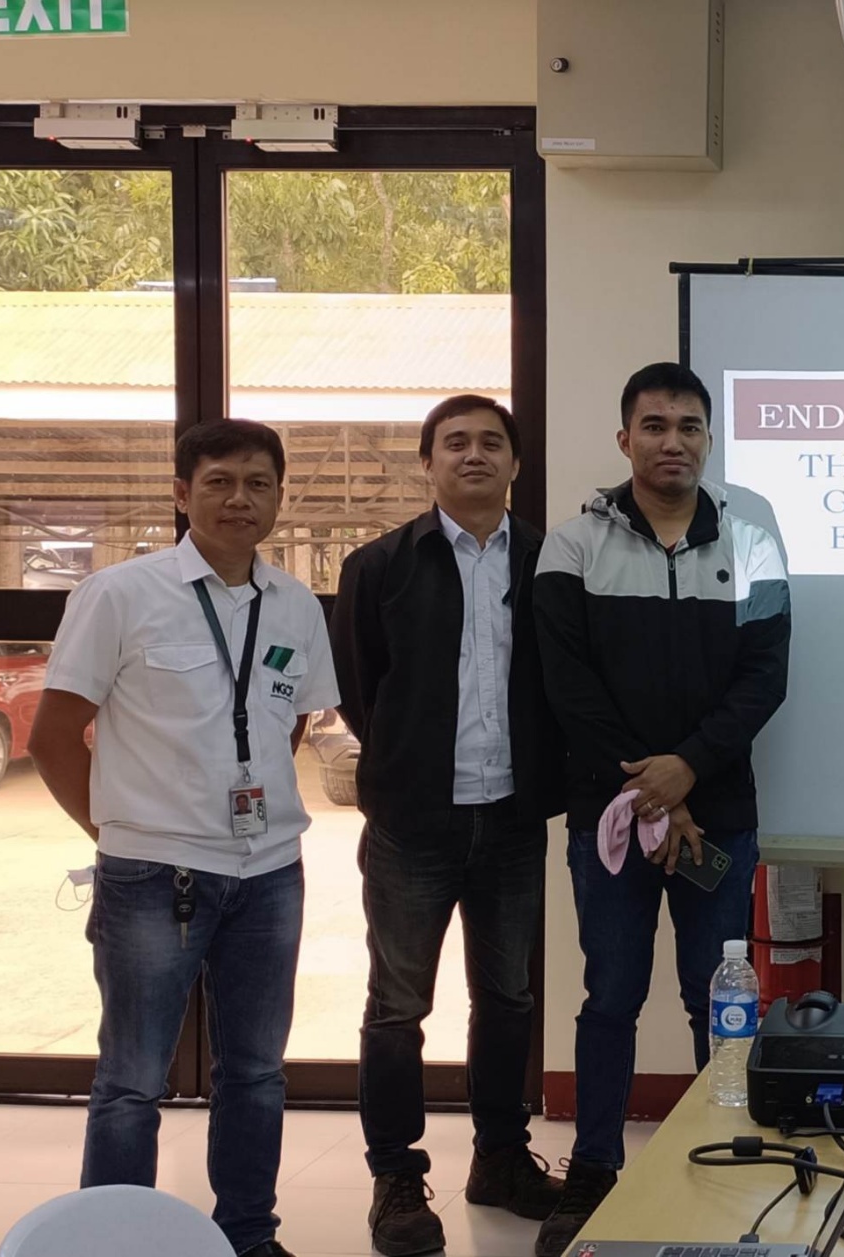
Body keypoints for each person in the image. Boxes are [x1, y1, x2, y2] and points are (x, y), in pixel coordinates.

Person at [28, 419, 338, 1257]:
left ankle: (247, 1235)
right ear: (180, 493)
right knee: (132, 1080)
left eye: (258, 483)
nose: (241, 499)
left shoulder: (296, 603)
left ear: (279, 496)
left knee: (258, 1072)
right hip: (150, 874)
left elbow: (289, 721)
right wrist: (121, 830)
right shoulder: (120, 594)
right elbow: (53, 737)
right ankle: (114, 1244)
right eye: (219, 482)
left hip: (270, 871)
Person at [530, 362, 792, 1257]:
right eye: (654, 425)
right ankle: (593, 1170)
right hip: (610, 817)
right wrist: (651, 789)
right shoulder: (571, 547)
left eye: (688, 426)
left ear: (709, 439)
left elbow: (765, 678)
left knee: (715, 994)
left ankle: (728, 1154)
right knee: (611, 992)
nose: (671, 441)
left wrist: (689, 769)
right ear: (624, 439)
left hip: (718, 814)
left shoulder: (754, 544)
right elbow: (568, 686)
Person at [328, 394, 568, 1256]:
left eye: (491, 442)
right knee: (397, 1006)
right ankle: (396, 1176)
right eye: (455, 442)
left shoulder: (549, 560)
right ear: (427, 462)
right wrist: (408, 764)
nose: (474, 455)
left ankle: (499, 1157)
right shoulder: (378, 565)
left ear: (515, 463)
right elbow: (360, 688)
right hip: (412, 824)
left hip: (512, 818)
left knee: (507, 997)